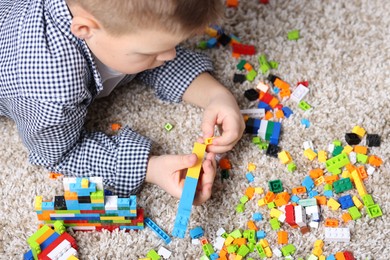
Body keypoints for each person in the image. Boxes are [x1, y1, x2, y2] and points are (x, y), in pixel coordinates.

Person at [0, 0, 245, 205]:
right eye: (150, 52)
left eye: (175, 44)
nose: (171, 55)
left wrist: (216, 96)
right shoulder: (49, 94)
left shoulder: (116, 32)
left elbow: (159, 57)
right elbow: (58, 154)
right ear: (85, 29)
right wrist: (150, 168)